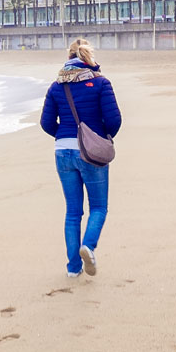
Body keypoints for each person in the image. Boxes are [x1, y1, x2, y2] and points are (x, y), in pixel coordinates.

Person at [39, 40, 122, 277]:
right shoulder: (101, 83)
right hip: (91, 153)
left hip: (62, 152)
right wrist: (97, 139)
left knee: (73, 212)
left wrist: (65, 136)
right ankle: (89, 245)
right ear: (88, 57)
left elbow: (46, 123)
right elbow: (114, 121)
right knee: (98, 207)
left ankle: (73, 269)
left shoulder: (56, 86)